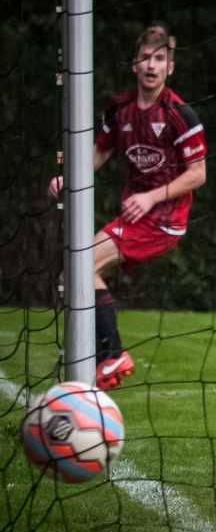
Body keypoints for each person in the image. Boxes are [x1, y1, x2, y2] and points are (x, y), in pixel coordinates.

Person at [48, 26, 207, 390]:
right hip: (136, 217)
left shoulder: (181, 114)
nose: (151, 65)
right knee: (73, 274)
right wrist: (68, 178)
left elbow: (198, 174)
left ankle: (112, 354)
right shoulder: (120, 108)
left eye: (160, 58)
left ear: (170, 67)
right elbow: (100, 151)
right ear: (134, 64)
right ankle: (103, 361)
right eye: (145, 57)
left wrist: (151, 197)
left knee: (79, 268)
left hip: (163, 220)